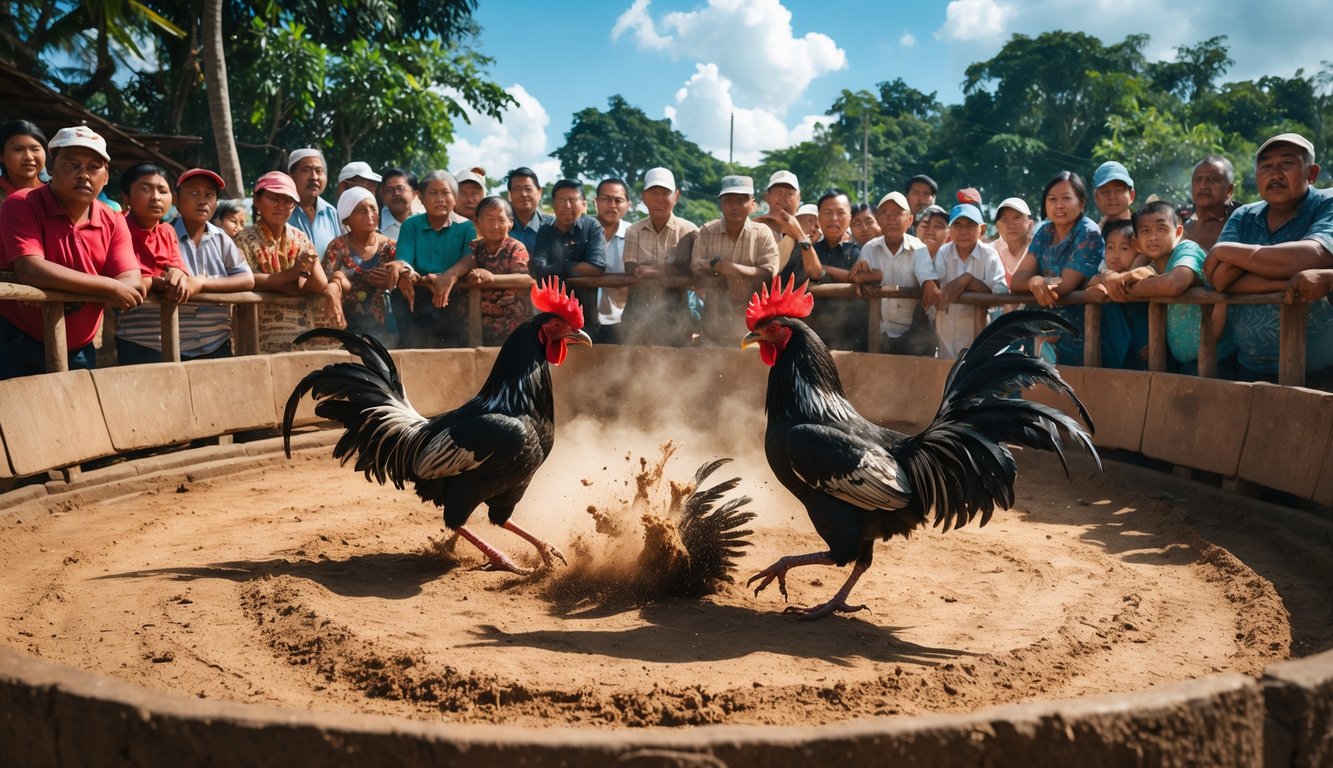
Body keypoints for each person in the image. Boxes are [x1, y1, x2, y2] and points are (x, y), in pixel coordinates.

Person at [0, 126, 142, 378]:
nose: (83, 174)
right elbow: (30, 269)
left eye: (94, 167)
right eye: (71, 164)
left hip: (80, 349)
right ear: (51, 169)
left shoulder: (113, 219)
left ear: (106, 177)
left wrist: (112, 286)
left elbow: (131, 281)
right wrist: (108, 286)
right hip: (17, 341)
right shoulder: (22, 203)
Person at [1205, 132, 1333, 380]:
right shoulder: (1244, 215)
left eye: (1287, 163)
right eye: (1266, 166)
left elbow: (1315, 254)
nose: (1275, 174)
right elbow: (1220, 279)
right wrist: (1288, 281)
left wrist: (1226, 251)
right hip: (1250, 368)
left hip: (1321, 372)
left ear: (1312, 173)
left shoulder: (1327, 203)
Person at [1104, 201, 1236, 373]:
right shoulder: (1157, 266)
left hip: (1219, 360)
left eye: (1161, 228)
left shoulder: (1187, 250)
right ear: (1137, 244)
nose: (1153, 237)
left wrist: (1132, 289)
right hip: (1189, 363)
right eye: (1146, 231)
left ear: (1178, 232)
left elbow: (1175, 284)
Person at [1011, 171, 1104, 364]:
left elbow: (1061, 286)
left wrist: (1036, 281)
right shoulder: (1045, 231)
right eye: (1052, 199)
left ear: (1082, 203)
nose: (1059, 205)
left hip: (1075, 338)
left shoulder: (1088, 232)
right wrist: (1034, 280)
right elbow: (1017, 280)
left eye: (1066, 198)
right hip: (1038, 336)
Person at [233, 170, 330, 353]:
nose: (281, 206)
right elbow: (242, 279)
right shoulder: (242, 239)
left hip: (301, 333)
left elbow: (319, 284)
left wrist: (309, 264)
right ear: (257, 201)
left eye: (288, 201)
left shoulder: (300, 238)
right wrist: (290, 275)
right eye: (273, 198)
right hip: (258, 334)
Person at [113, 163, 195, 364]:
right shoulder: (114, 226)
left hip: (171, 333)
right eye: (146, 189)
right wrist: (154, 282)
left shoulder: (167, 231)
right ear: (126, 196)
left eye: (163, 191)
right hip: (131, 334)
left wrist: (178, 275)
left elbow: (178, 268)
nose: (156, 197)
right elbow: (115, 282)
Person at [172, 168, 255, 361]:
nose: (202, 201)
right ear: (177, 199)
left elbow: (247, 279)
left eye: (209, 195)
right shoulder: (164, 235)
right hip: (173, 343)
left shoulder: (222, 239)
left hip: (216, 342)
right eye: (193, 193)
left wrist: (202, 283)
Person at [391, 170, 477, 348]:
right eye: (433, 193)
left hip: (453, 294)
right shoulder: (411, 224)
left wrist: (449, 275)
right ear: (421, 197)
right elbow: (404, 261)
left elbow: (470, 257)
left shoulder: (466, 227)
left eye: (446, 193)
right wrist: (411, 274)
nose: (440, 199)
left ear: (455, 198)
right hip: (419, 291)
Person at [434, 196, 534, 345]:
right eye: (490, 219)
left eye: (501, 220)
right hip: (476, 321)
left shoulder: (515, 247)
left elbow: (524, 279)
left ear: (510, 223)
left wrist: (490, 277)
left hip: (510, 322)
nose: (495, 226)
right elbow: (462, 271)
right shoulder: (474, 247)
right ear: (478, 222)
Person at [691, 175, 779, 344]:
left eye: (741, 200)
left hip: (753, 328)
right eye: (728, 200)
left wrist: (731, 268)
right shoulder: (707, 231)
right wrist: (720, 266)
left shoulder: (762, 233)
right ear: (721, 203)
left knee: (751, 361)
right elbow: (696, 267)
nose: (734, 206)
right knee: (709, 361)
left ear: (752, 204)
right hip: (713, 325)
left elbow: (769, 273)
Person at [849, 191, 936, 356]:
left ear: (909, 220)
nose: (891, 219)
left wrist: (928, 284)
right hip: (876, 334)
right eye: (885, 213)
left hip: (914, 337)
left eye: (897, 213)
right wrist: (863, 281)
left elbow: (926, 278)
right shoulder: (869, 248)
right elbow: (858, 278)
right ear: (878, 219)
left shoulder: (919, 249)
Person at [621, 167, 697, 346]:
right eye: (653, 193)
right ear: (643, 197)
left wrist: (651, 270)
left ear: (676, 196)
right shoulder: (633, 231)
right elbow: (631, 269)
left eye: (665, 193)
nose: (659, 199)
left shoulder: (690, 231)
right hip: (637, 314)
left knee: (676, 361)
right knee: (634, 360)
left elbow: (692, 270)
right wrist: (673, 269)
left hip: (676, 316)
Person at [779, 188, 863, 349]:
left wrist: (823, 268)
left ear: (850, 218)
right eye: (827, 212)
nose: (834, 218)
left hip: (851, 339)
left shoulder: (860, 253)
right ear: (819, 216)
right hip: (811, 339)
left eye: (840, 212)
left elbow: (857, 278)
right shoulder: (807, 250)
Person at [925, 203, 1007, 359]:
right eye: (957, 225)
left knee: (974, 370)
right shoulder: (944, 252)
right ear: (950, 230)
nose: (963, 231)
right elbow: (938, 287)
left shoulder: (989, 255)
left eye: (970, 225)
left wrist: (967, 280)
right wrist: (965, 283)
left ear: (982, 229)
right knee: (946, 372)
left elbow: (1000, 292)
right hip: (946, 333)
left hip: (978, 336)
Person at [531, 179, 607, 340]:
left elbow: (596, 266)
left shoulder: (592, 227)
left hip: (585, 312)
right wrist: (576, 268)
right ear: (553, 204)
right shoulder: (545, 230)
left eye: (572, 200)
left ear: (584, 205)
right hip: (551, 316)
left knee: (587, 348)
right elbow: (539, 267)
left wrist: (561, 267)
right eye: (561, 200)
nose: (566, 205)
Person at [322, 187, 398, 340]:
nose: (370, 215)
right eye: (362, 211)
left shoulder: (390, 247)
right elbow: (326, 283)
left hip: (383, 326)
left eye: (373, 209)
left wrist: (391, 282)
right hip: (343, 324)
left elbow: (403, 279)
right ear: (346, 219)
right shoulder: (337, 247)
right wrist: (338, 281)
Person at [1083, 219, 1149, 370]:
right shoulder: (1103, 277)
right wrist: (1106, 278)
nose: (1115, 256)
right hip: (1114, 355)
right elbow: (1090, 283)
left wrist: (1155, 342)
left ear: (1139, 250)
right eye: (1110, 248)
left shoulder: (1147, 276)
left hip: (1143, 351)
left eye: (1124, 249)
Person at [594, 177, 631, 340]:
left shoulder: (634, 234)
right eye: (606, 199)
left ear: (628, 205)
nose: (612, 205)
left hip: (624, 320)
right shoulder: (581, 230)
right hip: (585, 318)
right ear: (596, 201)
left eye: (618, 200)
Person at [286, 148, 341, 256]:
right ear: (291, 177)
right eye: (306, 170)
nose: (314, 177)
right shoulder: (282, 211)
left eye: (319, 171)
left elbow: (340, 254)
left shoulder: (331, 212)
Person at [1183, 155, 1240, 252]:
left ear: (1229, 190)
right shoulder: (1183, 230)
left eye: (1212, 179)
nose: (1203, 185)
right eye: (1198, 179)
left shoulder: (1244, 224)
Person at [506, 167, 553, 253]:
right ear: (510, 194)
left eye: (528, 189)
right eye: (517, 189)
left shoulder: (554, 226)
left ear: (539, 193)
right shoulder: (499, 225)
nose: (523, 194)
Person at [0, 120, 47, 204]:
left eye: (35, 149)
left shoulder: (59, 193)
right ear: (1, 156)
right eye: (18, 149)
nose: (29, 157)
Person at [992, 197, 1033, 289]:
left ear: (1030, 225)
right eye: (1005, 220)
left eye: (1017, 218)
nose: (1011, 225)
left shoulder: (1040, 248)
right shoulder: (990, 251)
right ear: (998, 227)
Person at [378, 168, 424, 242]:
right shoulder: (374, 224)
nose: (395, 193)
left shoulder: (427, 222)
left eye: (400, 189)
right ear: (382, 195)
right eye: (389, 190)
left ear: (415, 194)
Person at [1093, 161, 1135, 230]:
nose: (1112, 197)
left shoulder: (1144, 230)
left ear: (1131, 195)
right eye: (1105, 192)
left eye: (1119, 190)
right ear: (1096, 197)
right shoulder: (1089, 233)